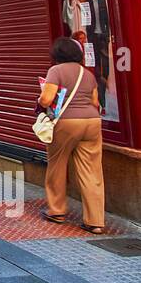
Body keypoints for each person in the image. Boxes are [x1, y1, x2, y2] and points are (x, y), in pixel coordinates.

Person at [38, 37, 106, 233]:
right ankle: (95, 221)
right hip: (92, 122)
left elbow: (47, 99)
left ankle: (57, 211)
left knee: (57, 165)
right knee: (92, 170)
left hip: (66, 123)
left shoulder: (56, 71)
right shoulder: (88, 74)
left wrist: (40, 99)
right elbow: (94, 101)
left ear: (57, 54)